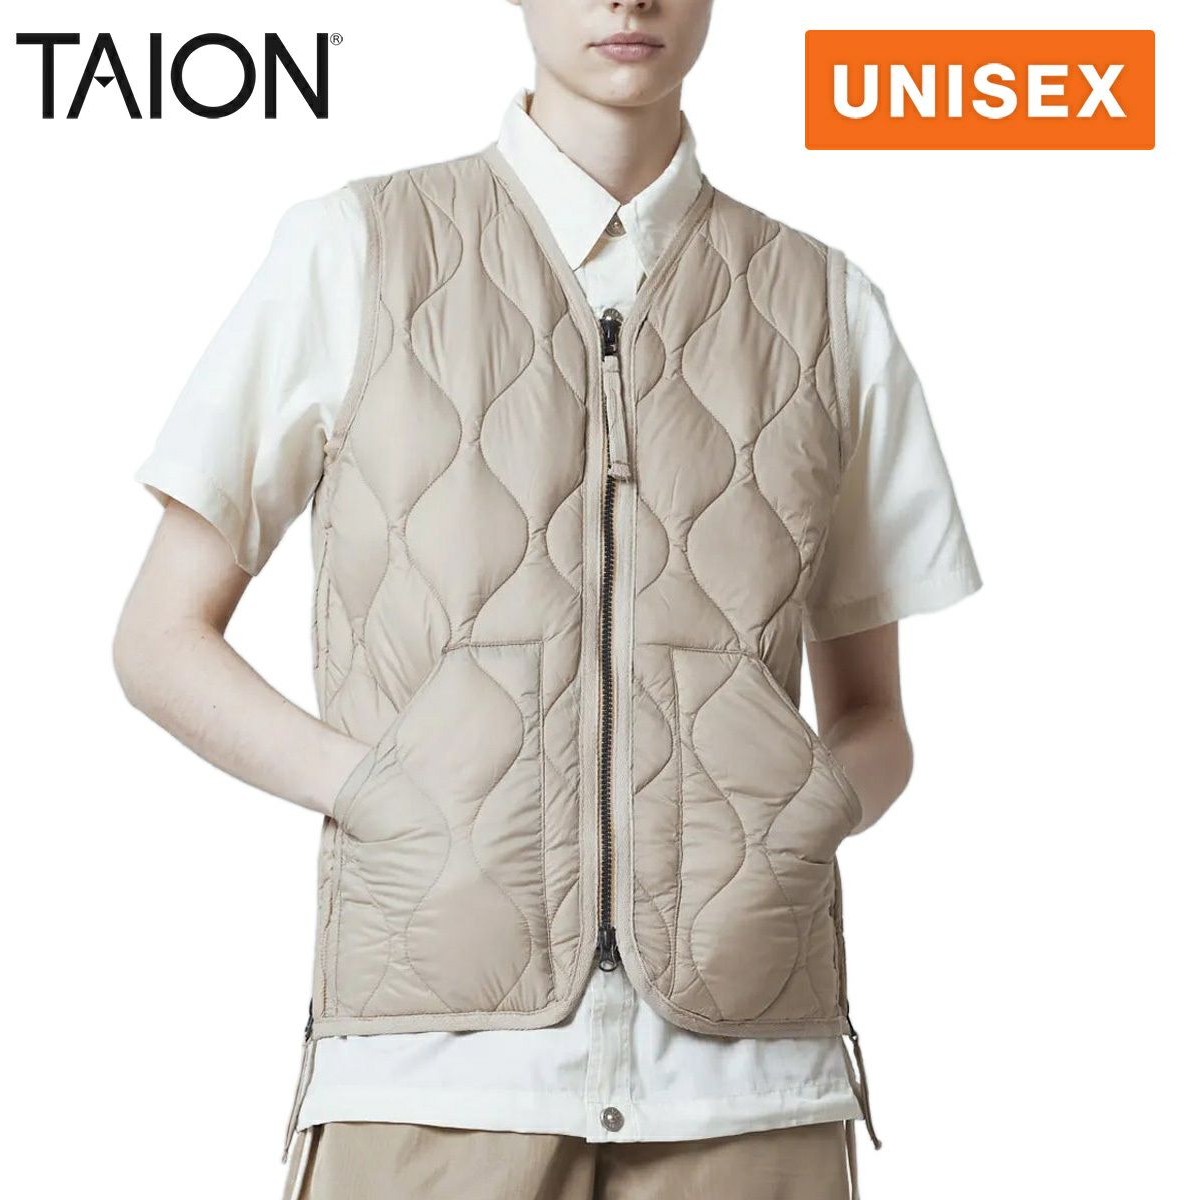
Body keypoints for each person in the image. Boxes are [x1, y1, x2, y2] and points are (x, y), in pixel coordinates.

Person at [113, 2, 982, 1198]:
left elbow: (875, 714)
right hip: (429, 1075)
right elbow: (160, 640)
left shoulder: (827, 303)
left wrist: (806, 814)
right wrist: (377, 794)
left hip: (749, 1086)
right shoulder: (354, 250)